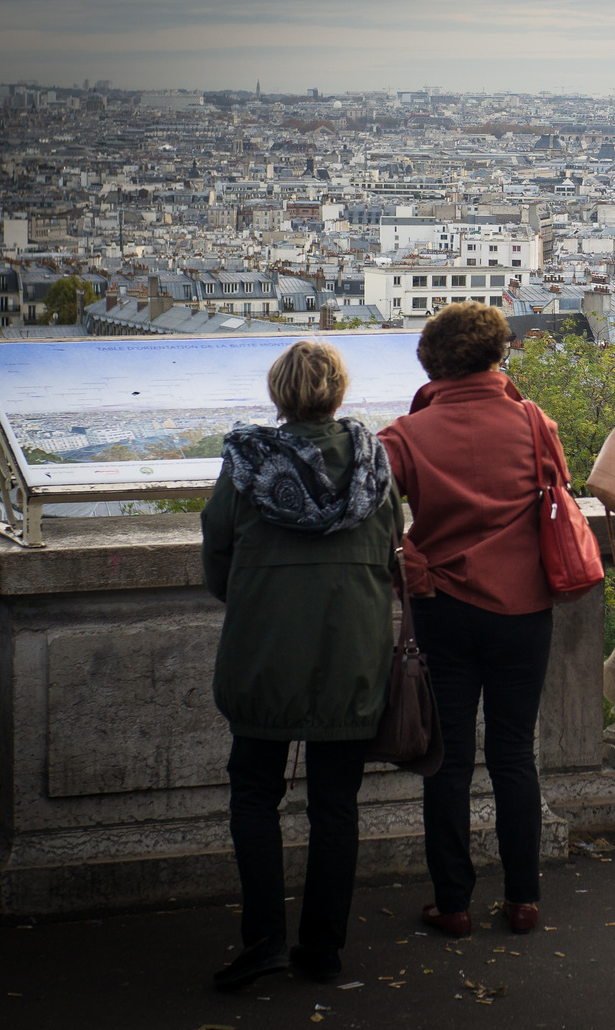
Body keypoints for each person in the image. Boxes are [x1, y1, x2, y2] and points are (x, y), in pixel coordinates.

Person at [203, 340, 399, 990]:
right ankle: (323, 948)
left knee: (255, 793)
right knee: (335, 804)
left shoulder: (246, 466)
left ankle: (264, 939)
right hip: (352, 653)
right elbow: (392, 549)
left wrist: (261, 601)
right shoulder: (375, 464)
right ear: (338, 392)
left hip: (264, 652)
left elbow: (219, 561)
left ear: (278, 393)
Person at [377, 301, 568, 938]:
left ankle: (453, 902)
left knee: (449, 759)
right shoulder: (534, 422)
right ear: (497, 354)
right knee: (514, 756)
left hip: (443, 608)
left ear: (430, 362)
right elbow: (557, 494)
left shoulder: (406, 435)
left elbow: (366, 511)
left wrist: (413, 560)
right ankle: (523, 900)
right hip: (524, 607)